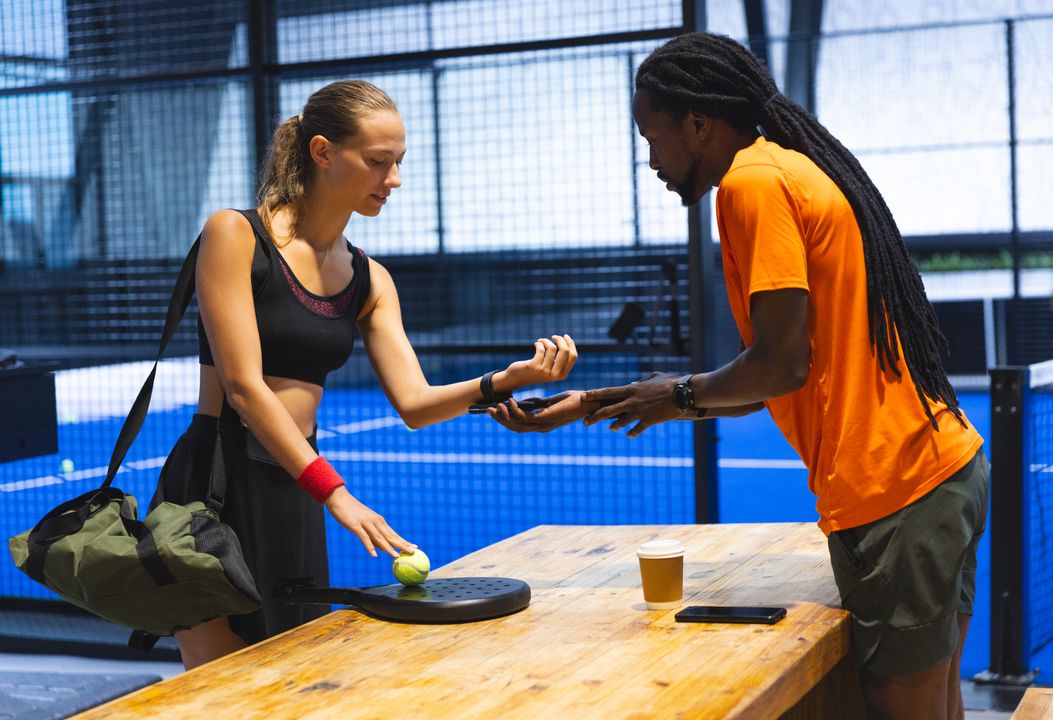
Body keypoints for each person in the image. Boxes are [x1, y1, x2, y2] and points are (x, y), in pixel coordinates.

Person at [489, 33, 987, 720]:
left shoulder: (750, 185)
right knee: (936, 706)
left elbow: (780, 364)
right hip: (937, 471)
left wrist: (680, 393)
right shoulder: (784, 167)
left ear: (699, 123)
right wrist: (596, 402)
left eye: (654, 136)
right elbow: (773, 381)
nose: (652, 160)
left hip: (895, 494)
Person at [153, 80, 577, 670]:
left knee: (292, 672)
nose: (394, 179)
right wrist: (336, 493)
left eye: (398, 162)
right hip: (219, 481)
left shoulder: (369, 278)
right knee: (218, 683)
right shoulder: (236, 234)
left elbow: (415, 403)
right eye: (378, 162)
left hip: (295, 481)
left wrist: (506, 380)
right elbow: (246, 388)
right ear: (323, 151)